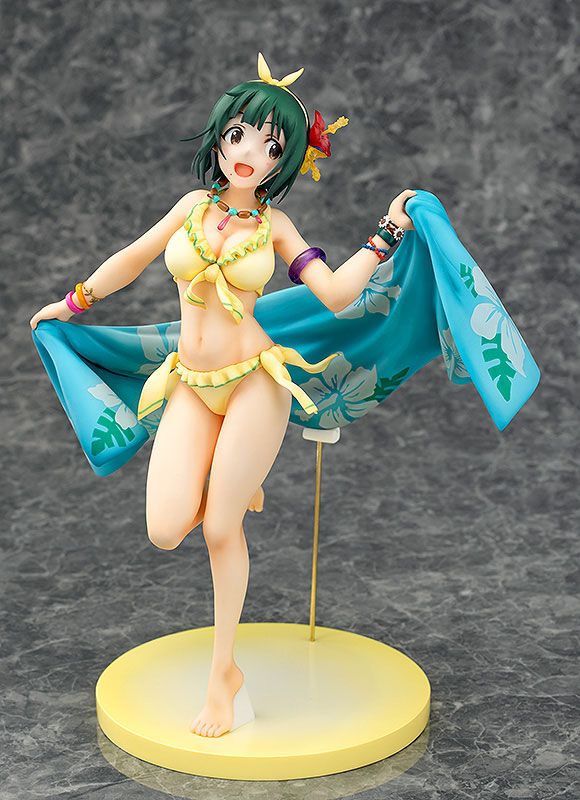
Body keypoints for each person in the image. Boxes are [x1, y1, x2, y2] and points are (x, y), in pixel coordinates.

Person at [30, 52, 539, 739]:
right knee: (164, 529)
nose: (249, 153)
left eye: (271, 147)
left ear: (287, 161)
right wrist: (73, 302)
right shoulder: (191, 208)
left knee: (219, 530)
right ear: (220, 135)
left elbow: (336, 294)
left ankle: (223, 674)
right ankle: (236, 478)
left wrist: (387, 233)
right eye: (239, 134)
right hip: (191, 384)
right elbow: (134, 257)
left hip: (255, 384)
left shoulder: (275, 228)